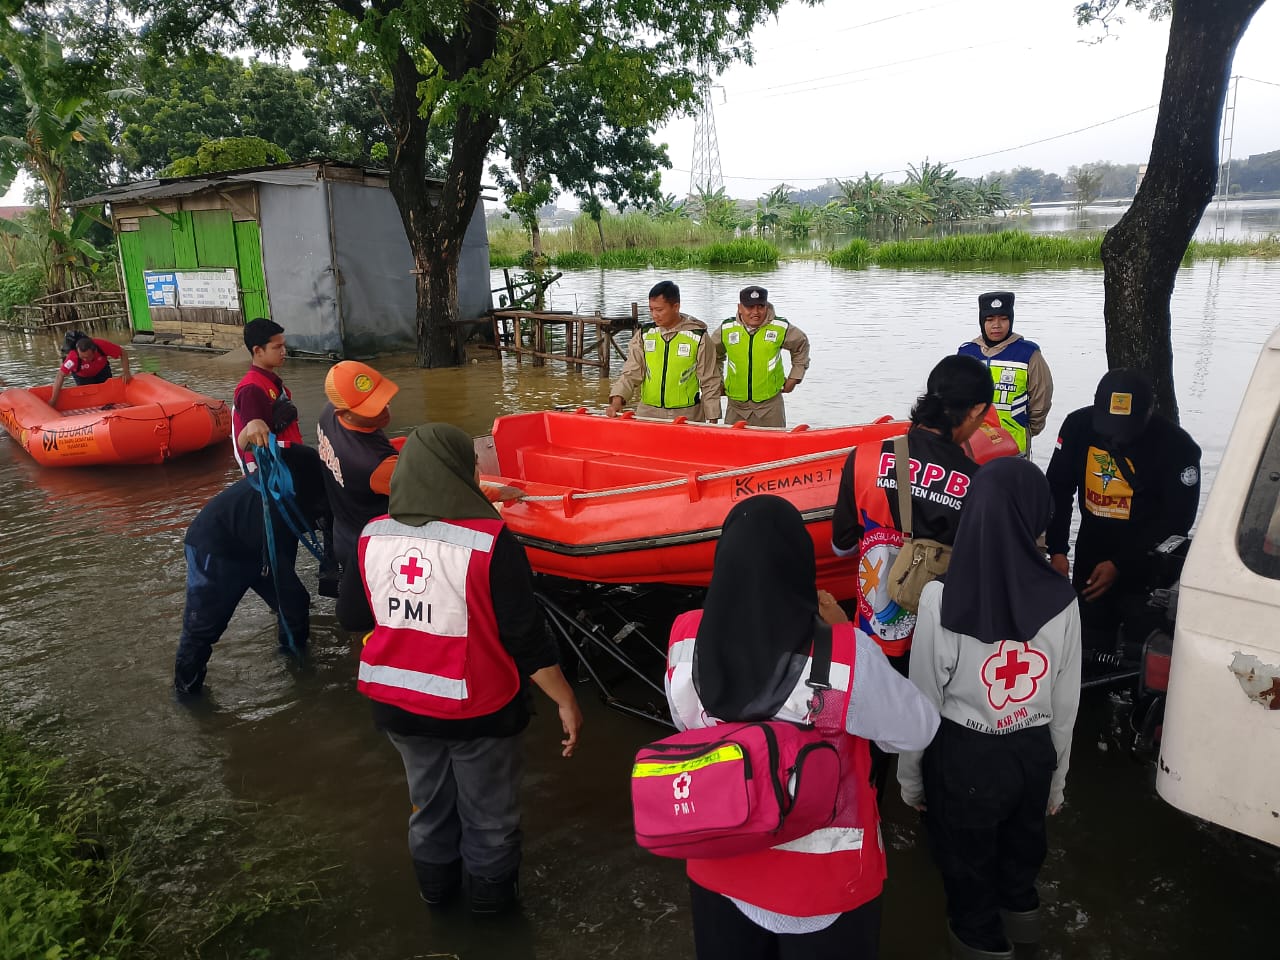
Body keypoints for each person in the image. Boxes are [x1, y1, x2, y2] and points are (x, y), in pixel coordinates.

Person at [666, 495, 939, 960]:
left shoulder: (686, 637)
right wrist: (846, 632)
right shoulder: (843, 658)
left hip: (720, 865)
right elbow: (917, 729)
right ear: (798, 566)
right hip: (823, 885)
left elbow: (685, 721)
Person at [337, 423, 583, 915]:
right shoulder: (490, 542)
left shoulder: (372, 537)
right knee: (488, 818)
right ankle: (492, 920)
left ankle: (437, 902)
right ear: (459, 473)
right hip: (478, 711)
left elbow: (351, 618)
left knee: (427, 808)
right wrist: (565, 699)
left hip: (399, 709)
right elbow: (525, 639)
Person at [898, 457, 1081, 960]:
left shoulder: (942, 597)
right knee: (1020, 871)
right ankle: (1027, 941)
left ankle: (982, 947)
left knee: (969, 883)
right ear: (1035, 517)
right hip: (1032, 755)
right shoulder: (1063, 599)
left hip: (966, 759)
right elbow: (1066, 705)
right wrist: (1056, 782)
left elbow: (923, 703)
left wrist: (911, 781)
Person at [831, 354, 993, 670]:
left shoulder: (863, 458)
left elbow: (841, 546)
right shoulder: (977, 482)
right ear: (975, 410)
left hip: (869, 642)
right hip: (937, 651)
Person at [1045, 369, 1201, 646]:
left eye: (1126, 430)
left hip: (1148, 565)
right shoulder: (1077, 427)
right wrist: (1057, 550)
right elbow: (1057, 488)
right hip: (1091, 554)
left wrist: (1122, 564)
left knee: (1139, 650)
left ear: (1148, 412)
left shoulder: (1178, 448)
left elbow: (1178, 520)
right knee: (1087, 641)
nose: (1118, 437)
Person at [173, 444, 331, 695]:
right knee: (203, 629)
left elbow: (305, 544)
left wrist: (329, 576)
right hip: (217, 545)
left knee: (294, 603)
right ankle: (186, 691)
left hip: (263, 546)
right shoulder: (299, 481)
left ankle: (296, 664)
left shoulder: (319, 488)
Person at [606, 280, 722, 423]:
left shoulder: (699, 338)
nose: (654, 315)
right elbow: (631, 373)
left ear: (676, 307)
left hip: (687, 415)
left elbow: (710, 381)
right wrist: (617, 400)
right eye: (651, 309)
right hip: (647, 413)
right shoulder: (644, 334)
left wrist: (712, 417)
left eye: (659, 310)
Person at [957, 292, 1053, 458]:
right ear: (982, 321)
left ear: (1011, 320)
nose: (997, 325)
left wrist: (1029, 429)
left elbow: (1042, 397)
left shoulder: (1028, 353)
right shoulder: (966, 353)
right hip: (972, 447)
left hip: (1014, 446)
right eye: (990, 319)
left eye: (1003, 318)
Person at [709, 285, 810, 427]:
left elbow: (801, 346)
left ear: (766, 307)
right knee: (734, 447)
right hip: (737, 407)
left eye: (760, 307)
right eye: (750, 307)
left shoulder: (780, 327)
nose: (755, 312)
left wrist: (795, 377)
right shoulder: (727, 328)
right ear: (740, 308)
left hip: (770, 406)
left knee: (774, 448)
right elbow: (711, 356)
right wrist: (717, 382)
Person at [233, 318, 303, 474]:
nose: (284, 351)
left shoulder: (270, 381)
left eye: (284, 345)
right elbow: (252, 437)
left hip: (289, 463)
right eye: (277, 347)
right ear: (258, 351)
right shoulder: (251, 389)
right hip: (275, 473)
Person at [48, 334, 132, 406]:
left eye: (87, 357)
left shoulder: (101, 345)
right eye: (82, 357)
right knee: (89, 399)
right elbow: (60, 375)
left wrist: (126, 372)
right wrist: (53, 400)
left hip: (102, 370)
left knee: (107, 396)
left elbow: (123, 353)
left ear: (95, 351)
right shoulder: (72, 357)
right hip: (82, 376)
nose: (85, 360)